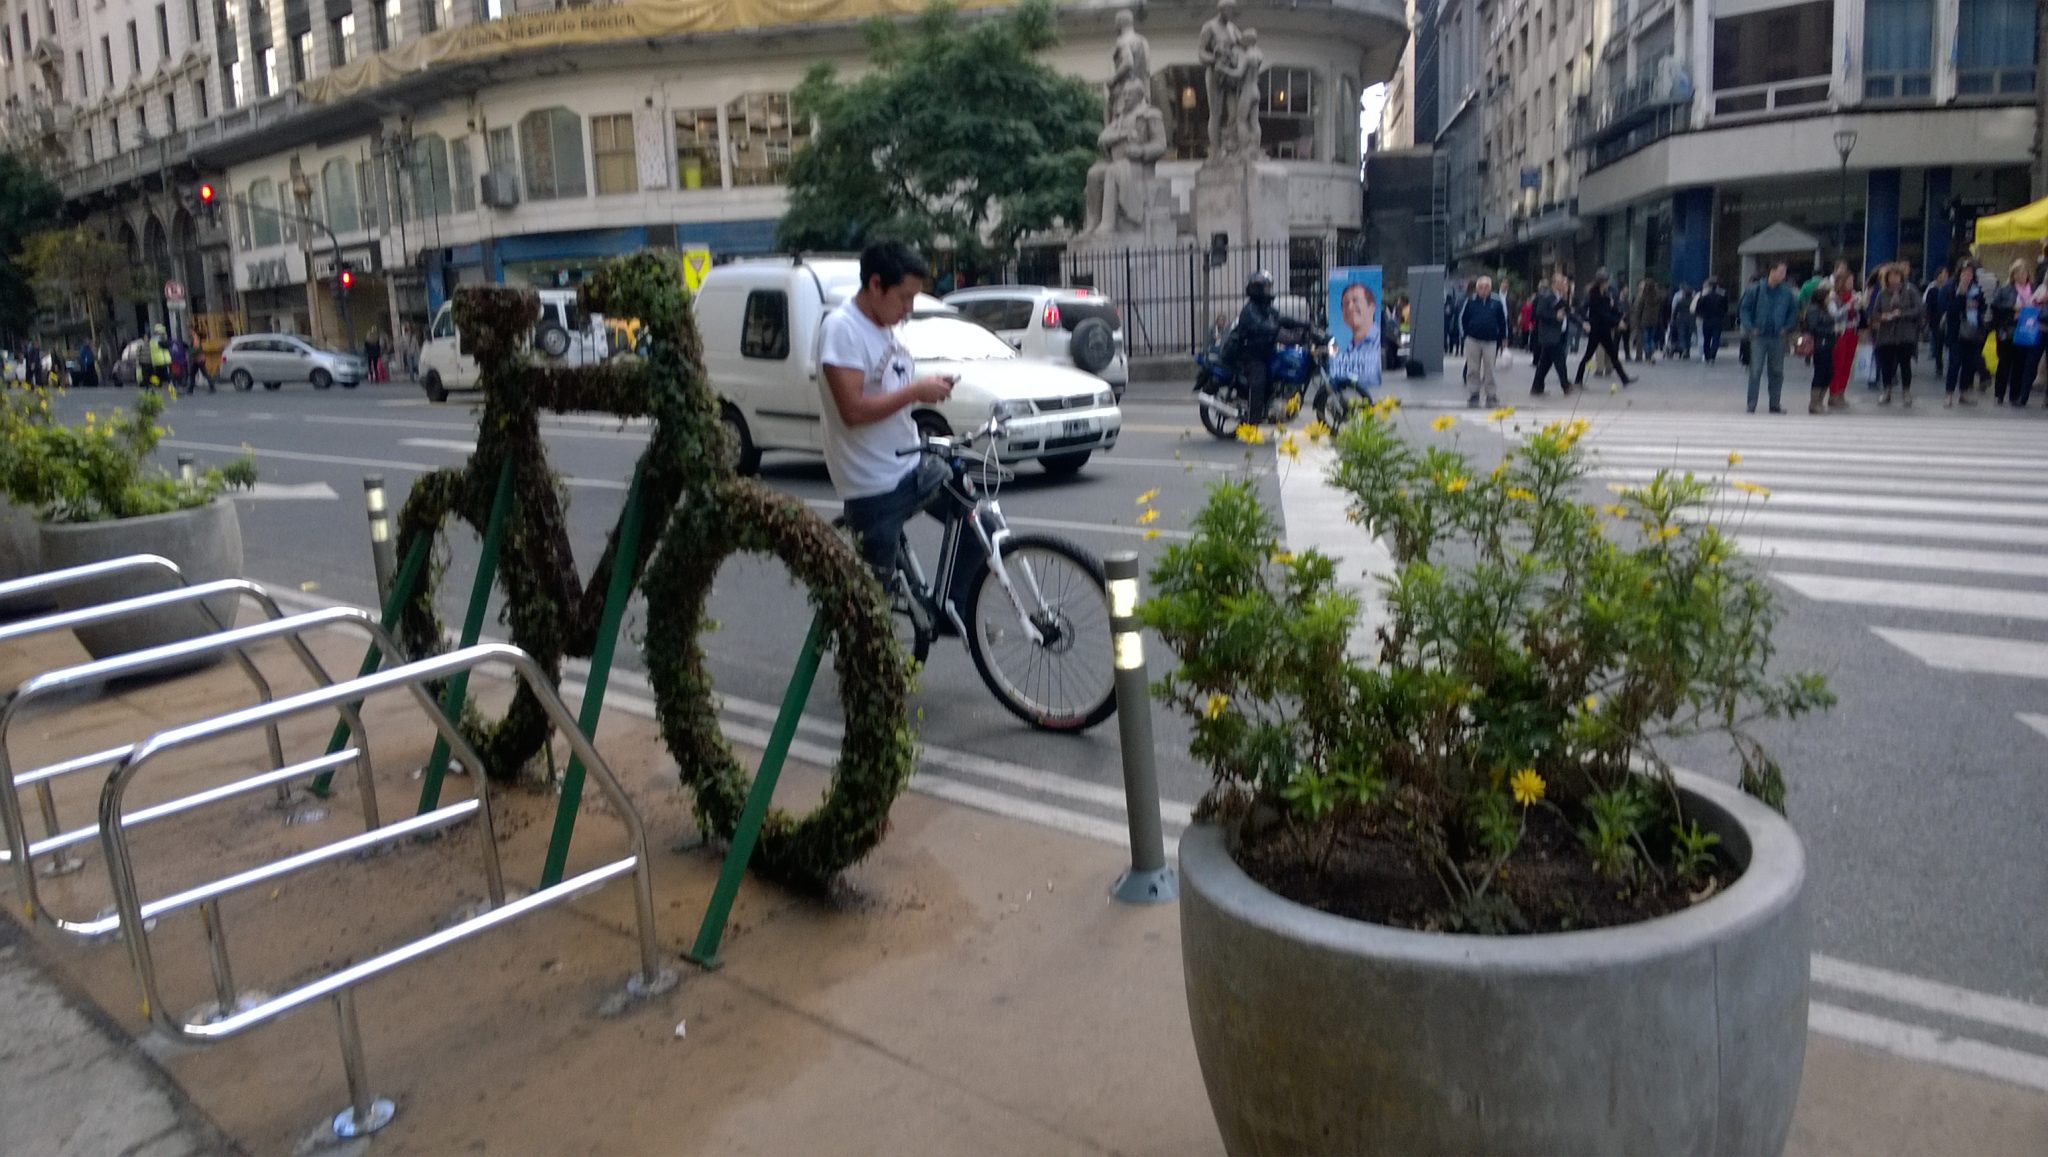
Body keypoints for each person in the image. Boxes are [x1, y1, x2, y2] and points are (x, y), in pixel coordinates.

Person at [821, 240, 982, 623]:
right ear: (876, 285)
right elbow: (852, 410)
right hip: (872, 485)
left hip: (911, 464)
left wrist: (927, 385)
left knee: (979, 525)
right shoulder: (842, 329)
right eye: (904, 297)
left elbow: (890, 383)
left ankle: (950, 609)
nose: (908, 309)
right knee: (872, 612)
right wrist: (915, 392)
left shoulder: (889, 327)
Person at [1224, 269, 1304, 422]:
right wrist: (1282, 332)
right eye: (1266, 288)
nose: (1269, 291)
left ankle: (1274, 401)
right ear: (1257, 289)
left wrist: (1304, 324)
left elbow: (1281, 318)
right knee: (1259, 381)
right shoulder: (1250, 310)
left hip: (1265, 352)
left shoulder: (1265, 307)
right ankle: (1253, 420)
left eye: (1269, 287)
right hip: (1251, 355)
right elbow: (1264, 326)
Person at [1738, 261, 1797, 414]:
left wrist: (1787, 327)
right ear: (1772, 271)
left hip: (1777, 336)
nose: (1783, 275)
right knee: (1755, 370)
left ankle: (1775, 404)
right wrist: (1750, 327)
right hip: (1759, 336)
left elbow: (1793, 312)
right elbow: (1744, 309)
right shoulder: (1755, 290)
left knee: (1777, 371)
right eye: (1781, 271)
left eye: (1785, 272)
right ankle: (1751, 404)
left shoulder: (1786, 293)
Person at [1990, 258, 2044, 408]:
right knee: (2005, 363)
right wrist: (2012, 307)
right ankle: (1999, 394)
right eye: (2018, 273)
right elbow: (1995, 307)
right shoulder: (2005, 290)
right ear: (2013, 275)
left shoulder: (2034, 289)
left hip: (2027, 331)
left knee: (2020, 364)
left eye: (2024, 272)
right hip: (2008, 330)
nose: (2021, 275)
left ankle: (2015, 395)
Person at [1869, 264, 1922, 407]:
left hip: (1905, 333)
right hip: (1886, 334)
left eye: (1897, 276)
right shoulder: (1882, 293)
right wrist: (1883, 316)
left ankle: (1906, 392)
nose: (1894, 280)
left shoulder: (1910, 290)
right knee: (1886, 364)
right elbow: (1874, 313)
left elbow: (1918, 309)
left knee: (1905, 364)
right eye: (1891, 276)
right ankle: (1886, 391)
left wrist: (1902, 314)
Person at [1939, 261, 1986, 407]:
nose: (1967, 276)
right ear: (1959, 273)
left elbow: (1982, 307)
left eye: (1970, 273)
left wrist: (1978, 309)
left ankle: (1964, 392)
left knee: (1969, 364)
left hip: (1973, 331)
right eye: (1965, 272)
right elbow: (1948, 309)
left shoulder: (1977, 289)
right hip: (1956, 332)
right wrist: (1961, 296)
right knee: (1954, 363)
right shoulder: (1950, 288)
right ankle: (1949, 394)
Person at [1573, 271, 1632, 388]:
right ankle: (1578, 380)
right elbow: (1602, 314)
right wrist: (1617, 322)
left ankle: (1624, 379)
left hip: (1604, 329)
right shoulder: (1593, 295)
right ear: (1602, 282)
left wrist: (1620, 315)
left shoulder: (1606, 294)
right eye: (1607, 281)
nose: (1609, 283)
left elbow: (1610, 310)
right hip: (1596, 329)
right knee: (1588, 355)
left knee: (1613, 354)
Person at [1457, 275, 1509, 408]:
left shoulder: (1496, 302)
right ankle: (1474, 394)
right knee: (1473, 369)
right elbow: (1462, 319)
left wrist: (1504, 338)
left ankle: (1491, 395)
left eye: (1486, 287)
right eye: (1481, 287)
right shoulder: (1470, 301)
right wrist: (1465, 336)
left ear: (1490, 288)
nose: (1483, 290)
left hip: (1491, 341)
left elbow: (1502, 321)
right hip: (1473, 340)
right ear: (1477, 288)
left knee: (1490, 369)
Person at [1329, 280, 1383, 395]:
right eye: (1345, 304)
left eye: (1355, 300)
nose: (1350, 307)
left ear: (1372, 307)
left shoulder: (1377, 343)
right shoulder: (1347, 348)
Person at [1529, 272, 1573, 396]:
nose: (1564, 285)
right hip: (1550, 335)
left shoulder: (1561, 298)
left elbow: (1569, 313)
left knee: (1545, 363)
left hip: (1558, 334)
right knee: (1560, 361)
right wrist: (1555, 316)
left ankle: (1537, 387)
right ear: (1555, 284)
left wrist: (1583, 323)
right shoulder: (1547, 296)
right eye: (1562, 282)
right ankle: (1566, 385)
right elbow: (1539, 313)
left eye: (1564, 282)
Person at [1801, 278, 1840, 415]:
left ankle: (1819, 401)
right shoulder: (1813, 309)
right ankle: (1814, 403)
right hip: (1819, 344)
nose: (1830, 298)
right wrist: (1831, 330)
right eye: (1828, 295)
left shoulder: (1825, 309)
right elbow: (1813, 327)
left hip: (1828, 344)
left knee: (1829, 372)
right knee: (1820, 372)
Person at [1825, 271, 1861, 410]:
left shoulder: (1853, 295)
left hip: (1852, 332)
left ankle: (1841, 392)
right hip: (1840, 332)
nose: (1851, 284)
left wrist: (1858, 304)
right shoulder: (1833, 297)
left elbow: (1857, 315)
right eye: (1848, 281)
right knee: (1838, 364)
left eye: (1852, 281)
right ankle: (1833, 393)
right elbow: (1834, 315)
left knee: (1847, 364)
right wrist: (1848, 305)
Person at [1922, 265, 1950, 377]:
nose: (1946, 276)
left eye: (1947, 274)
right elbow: (1929, 307)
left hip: (1948, 320)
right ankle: (1939, 366)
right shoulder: (1932, 290)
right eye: (1943, 274)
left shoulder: (1950, 289)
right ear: (1938, 276)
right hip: (1936, 321)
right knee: (1938, 344)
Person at [1695, 278, 1730, 363]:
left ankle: (1707, 355)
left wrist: (1702, 315)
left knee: (1706, 339)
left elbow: (1698, 309)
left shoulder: (1704, 298)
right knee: (1715, 339)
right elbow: (1725, 308)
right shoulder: (1721, 297)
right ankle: (1712, 356)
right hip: (1717, 320)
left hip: (1707, 320)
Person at [1667, 282, 1696, 359]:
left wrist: (1672, 320)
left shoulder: (1680, 302)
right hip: (1691, 320)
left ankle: (1684, 349)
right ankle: (1687, 351)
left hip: (1681, 320)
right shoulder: (1693, 302)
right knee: (1688, 336)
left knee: (1682, 336)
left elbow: (1675, 311)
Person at [145, 324, 173, 390]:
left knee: (158, 374)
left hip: (156, 361)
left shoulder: (152, 340)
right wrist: (168, 339)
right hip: (162, 361)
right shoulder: (159, 340)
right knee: (166, 375)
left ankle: (154, 386)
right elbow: (167, 345)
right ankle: (172, 385)